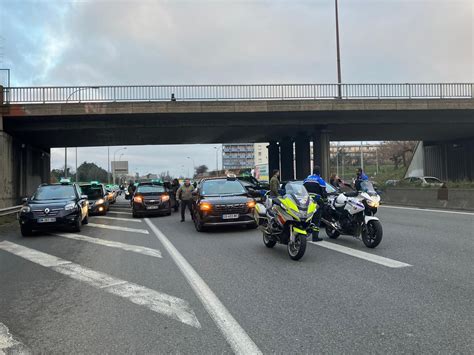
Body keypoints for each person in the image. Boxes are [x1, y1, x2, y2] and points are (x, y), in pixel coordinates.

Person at [303, 166, 327, 242]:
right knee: (316, 219)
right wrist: (324, 199)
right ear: (319, 172)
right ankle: (315, 237)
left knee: (306, 218)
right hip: (316, 202)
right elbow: (323, 192)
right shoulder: (320, 180)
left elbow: (303, 189)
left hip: (307, 201)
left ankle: (303, 234)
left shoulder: (306, 179)